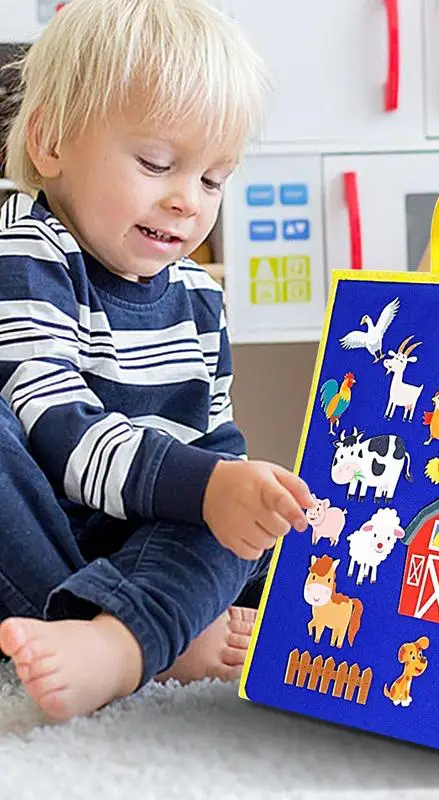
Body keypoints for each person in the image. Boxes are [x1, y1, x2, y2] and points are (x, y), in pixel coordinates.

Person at [0, 0, 313, 722]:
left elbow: (214, 445)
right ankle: (116, 638)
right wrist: (206, 486)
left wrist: (232, 492)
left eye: (212, 180)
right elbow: (57, 427)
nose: (186, 203)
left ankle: (136, 632)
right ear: (50, 142)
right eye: (157, 164)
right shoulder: (28, 251)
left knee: (248, 519)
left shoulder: (201, 298)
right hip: (43, 540)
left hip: (146, 541)